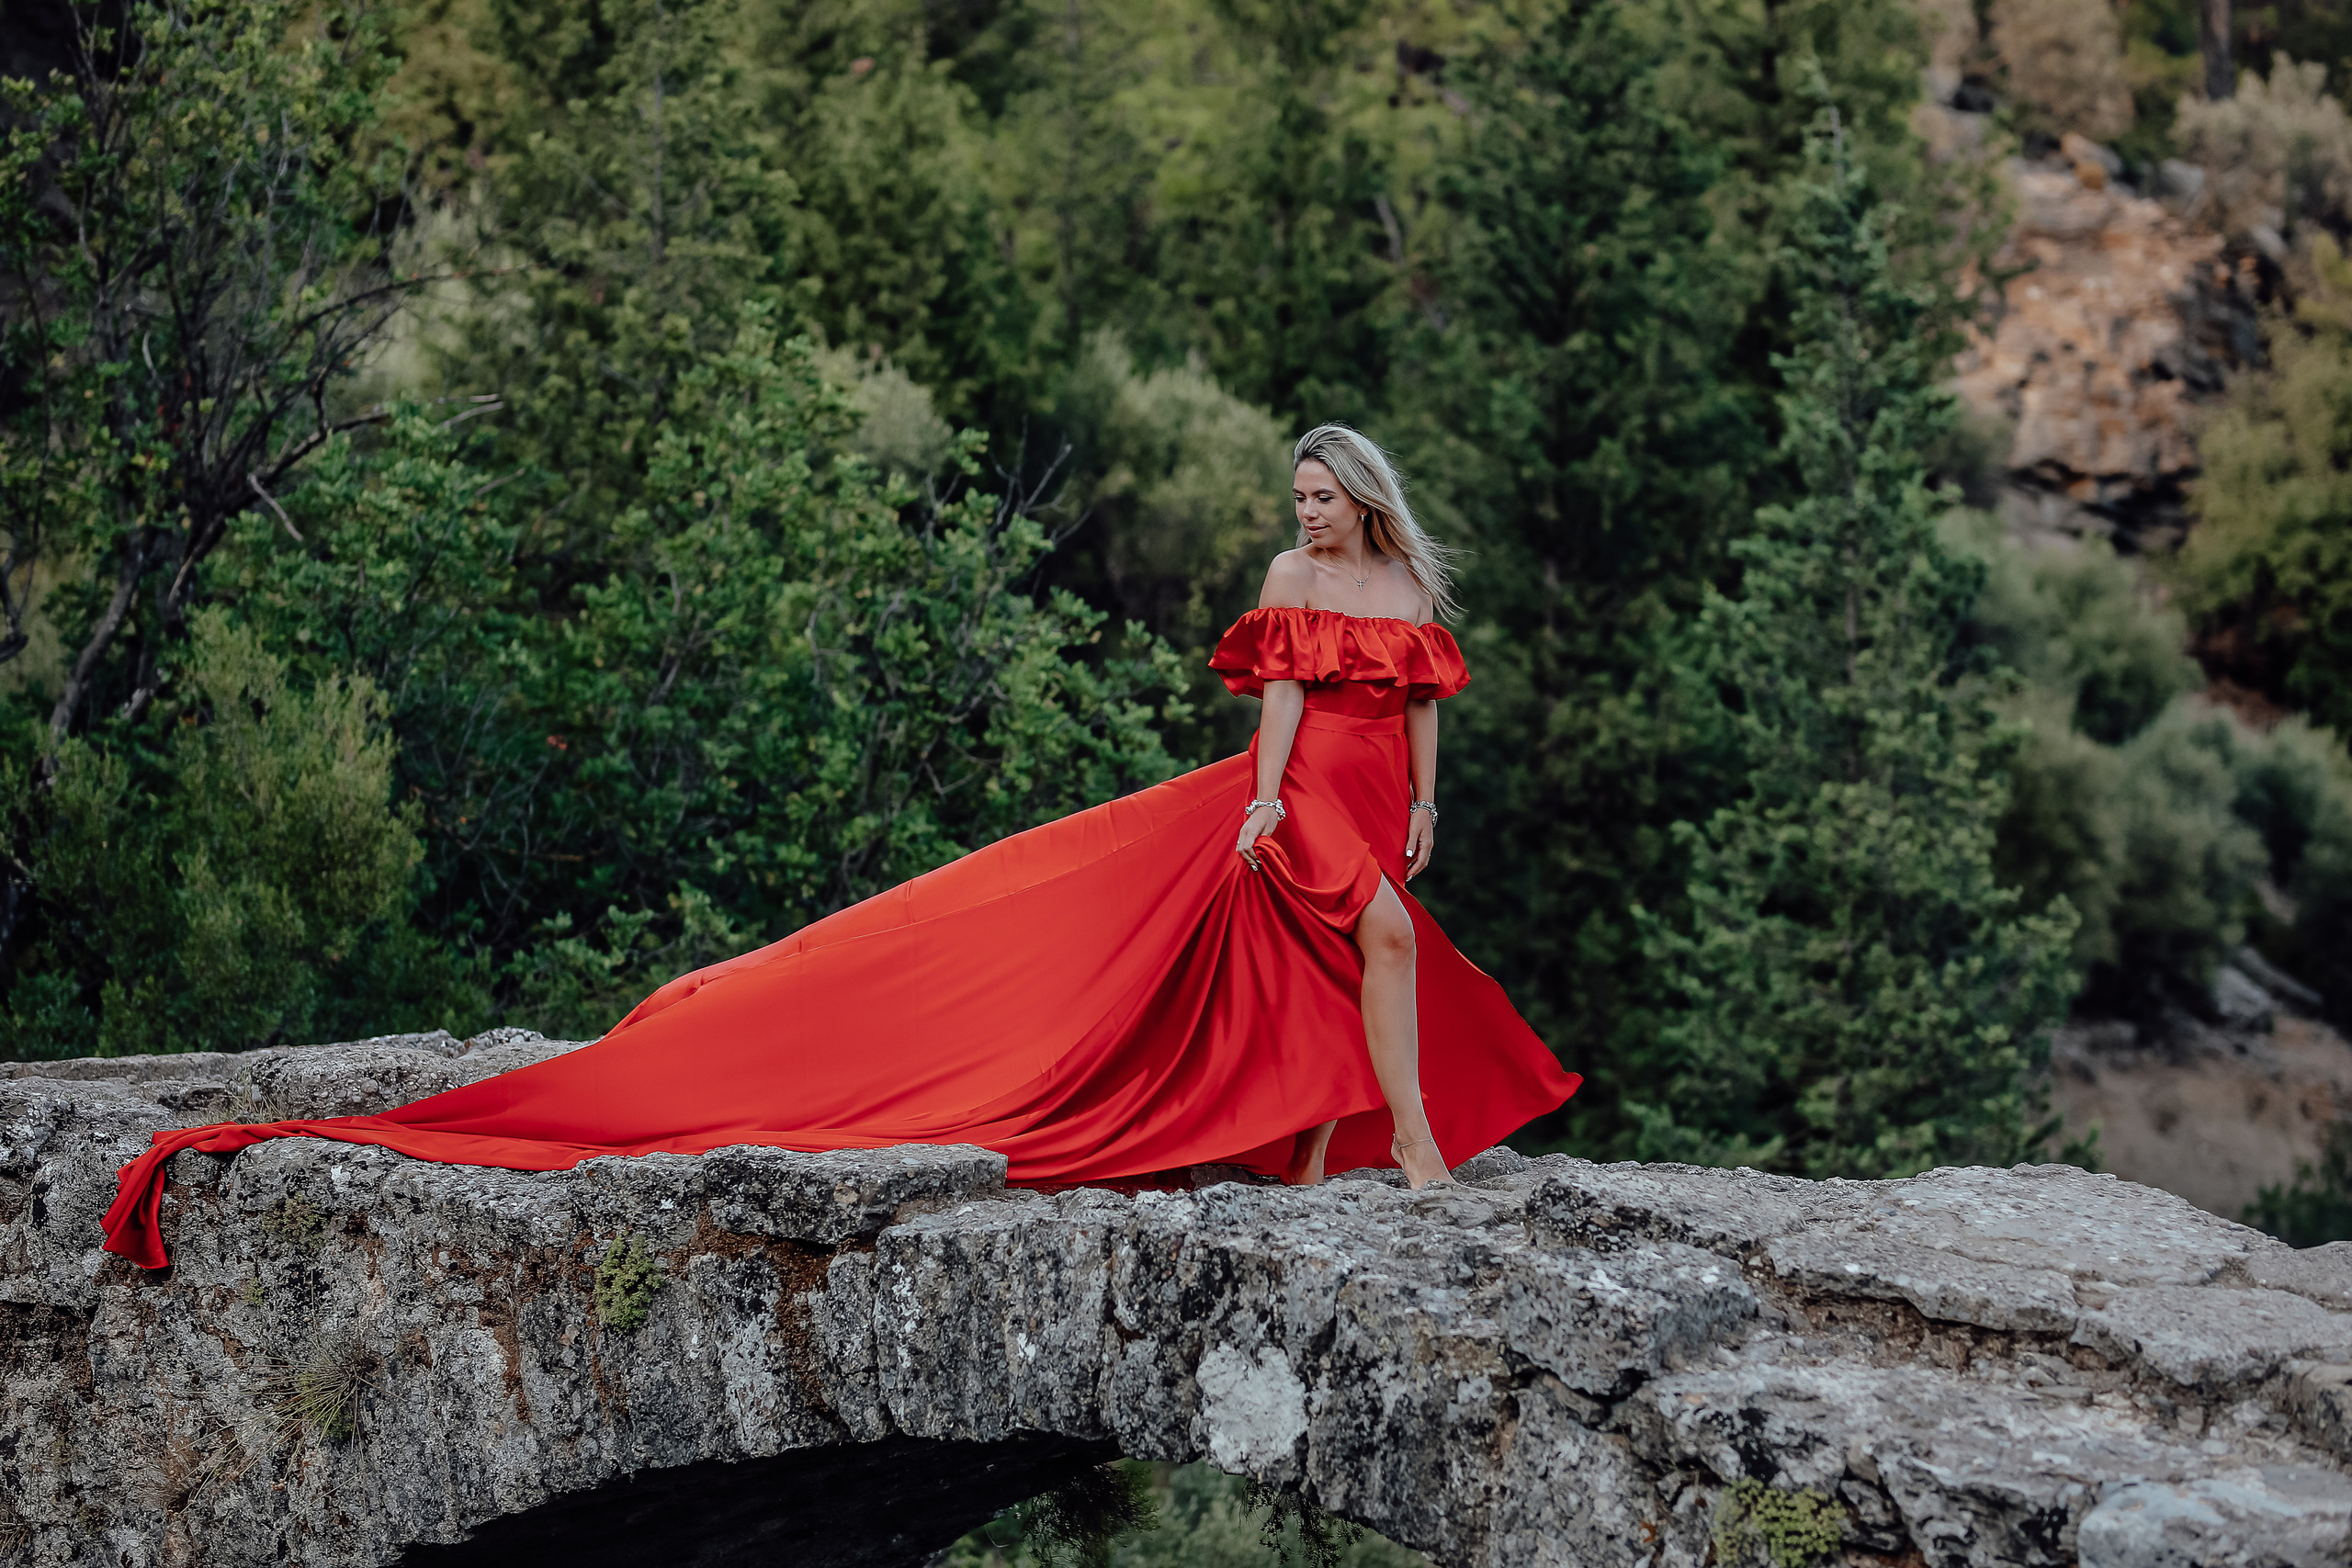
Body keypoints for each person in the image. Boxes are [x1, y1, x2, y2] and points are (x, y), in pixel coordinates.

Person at [101, 425, 1579, 1269]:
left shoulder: (1401, 584)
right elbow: (1277, 699)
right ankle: (1424, 1153)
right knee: (1375, 939)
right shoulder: (1289, 578)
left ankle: (1319, 1146)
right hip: (1301, 785)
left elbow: (1427, 701)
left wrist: (1431, 805)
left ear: (1365, 498)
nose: (1304, 515)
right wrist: (1260, 799)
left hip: (1385, 788)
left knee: (1341, 951)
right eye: (1297, 501)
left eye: (1321, 499)